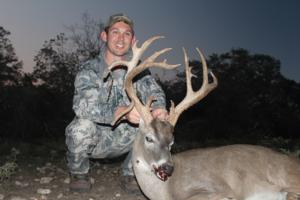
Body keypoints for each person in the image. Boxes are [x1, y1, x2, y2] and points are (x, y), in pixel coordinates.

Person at [65, 13, 168, 194]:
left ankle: (130, 173)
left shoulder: (139, 70)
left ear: (133, 39)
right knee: (79, 128)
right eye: (115, 32)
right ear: (104, 36)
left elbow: (154, 91)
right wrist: (122, 112)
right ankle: (79, 173)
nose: (121, 38)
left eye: (127, 33)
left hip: (126, 137)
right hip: (96, 138)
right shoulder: (89, 68)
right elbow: (82, 106)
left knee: (150, 125)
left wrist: (159, 107)